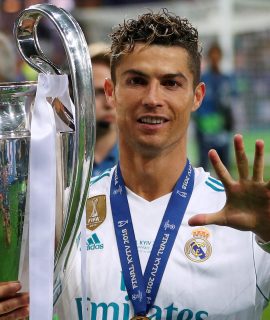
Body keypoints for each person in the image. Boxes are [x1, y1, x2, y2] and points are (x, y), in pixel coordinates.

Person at [1, 9, 270, 320]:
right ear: (112, 93)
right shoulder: (66, 211)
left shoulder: (244, 221)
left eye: (171, 83)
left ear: (197, 96)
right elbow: (21, 303)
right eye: (137, 81)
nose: (153, 98)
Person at [194, 42, 235, 170]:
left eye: (218, 55)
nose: (215, 57)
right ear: (209, 57)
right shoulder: (202, 79)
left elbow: (231, 103)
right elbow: (196, 103)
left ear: (221, 57)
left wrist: (229, 122)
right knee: (203, 166)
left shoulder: (227, 79)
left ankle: (227, 190)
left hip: (222, 129)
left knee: (225, 168)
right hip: (205, 129)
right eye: (213, 54)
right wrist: (201, 122)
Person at [89, 42, 118, 177]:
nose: (109, 104)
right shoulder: (58, 159)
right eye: (100, 92)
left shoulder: (139, 159)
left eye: (114, 92)